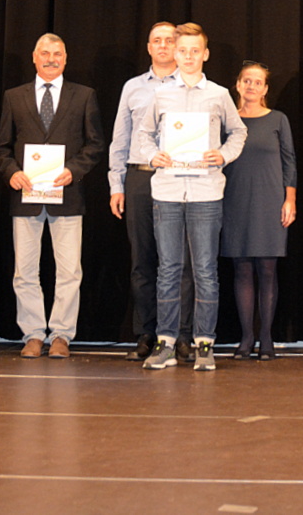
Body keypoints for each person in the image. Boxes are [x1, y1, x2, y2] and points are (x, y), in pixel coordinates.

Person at [137, 22, 247, 371]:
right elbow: (143, 134)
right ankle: (166, 342)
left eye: (194, 51)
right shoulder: (161, 95)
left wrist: (223, 155)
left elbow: (239, 132)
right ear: (175, 52)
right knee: (168, 270)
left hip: (206, 192)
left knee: (205, 271)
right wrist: (152, 155)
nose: (187, 56)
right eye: (182, 50)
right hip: (168, 191)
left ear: (205, 54)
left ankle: (204, 343)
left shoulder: (218, 94)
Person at [0, 33, 105, 359]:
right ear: (34, 57)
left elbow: (95, 144)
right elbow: (1, 149)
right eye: (45, 53)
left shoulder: (84, 96)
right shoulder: (14, 96)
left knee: (69, 272)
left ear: (66, 59)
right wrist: (12, 172)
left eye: (57, 54)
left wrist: (74, 170)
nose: (51, 59)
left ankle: (61, 335)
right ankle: (32, 334)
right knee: (25, 272)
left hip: (67, 196)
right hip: (26, 197)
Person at [109, 22, 196, 362]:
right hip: (141, 179)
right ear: (148, 47)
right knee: (142, 260)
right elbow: (120, 138)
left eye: (169, 40)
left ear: (178, 46)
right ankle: (147, 332)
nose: (163, 45)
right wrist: (116, 185)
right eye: (156, 40)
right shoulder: (133, 87)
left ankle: (182, 334)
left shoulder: (191, 84)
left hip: (180, 177)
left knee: (181, 262)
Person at [221, 61, 297, 360]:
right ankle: (246, 337)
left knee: (267, 269)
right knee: (241, 269)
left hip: (270, 200)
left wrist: (290, 199)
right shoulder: (227, 121)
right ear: (238, 85)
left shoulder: (278, 119)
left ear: (265, 89)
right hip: (234, 200)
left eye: (257, 82)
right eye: (246, 81)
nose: (251, 86)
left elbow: (289, 162)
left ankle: (266, 337)